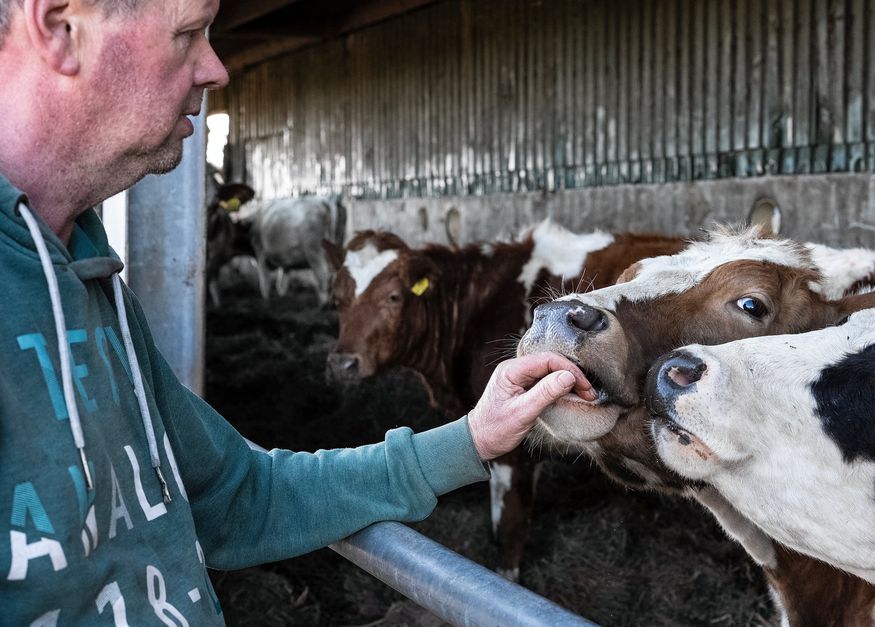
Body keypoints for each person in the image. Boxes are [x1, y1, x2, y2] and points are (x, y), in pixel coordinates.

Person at [0, 0, 594, 623]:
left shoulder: (90, 274)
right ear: (62, 28)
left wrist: (471, 437)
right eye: (190, 33)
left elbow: (240, 496)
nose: (216, 69)